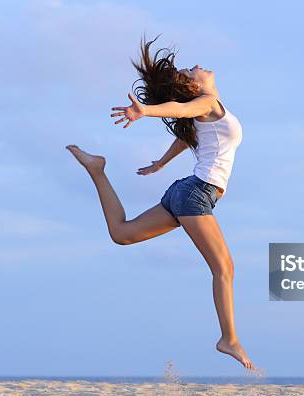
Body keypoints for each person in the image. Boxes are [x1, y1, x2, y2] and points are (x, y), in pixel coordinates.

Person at [66, 35, 252, 370]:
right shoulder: (207, 102)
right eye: (190, 70)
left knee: (121, 234)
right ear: (196, 86)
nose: (196, 66)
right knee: (224, 269)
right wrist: (146, 111)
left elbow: (186, 135)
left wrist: (161, 163)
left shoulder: (207, 109)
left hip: (185, 192)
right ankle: (229, 339)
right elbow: (181, 109)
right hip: (196, 195)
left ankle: (97, 170)